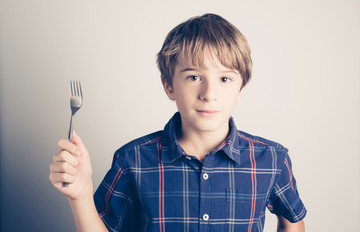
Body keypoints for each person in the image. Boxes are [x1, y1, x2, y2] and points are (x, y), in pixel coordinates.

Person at [49, 13, 306, 231]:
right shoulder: (133, 160)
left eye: (225, 79)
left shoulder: (272, 159)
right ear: (169, 86)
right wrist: (81, 194)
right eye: (193, 77)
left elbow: (293, 222)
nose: (209, 94)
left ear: (241, 89)